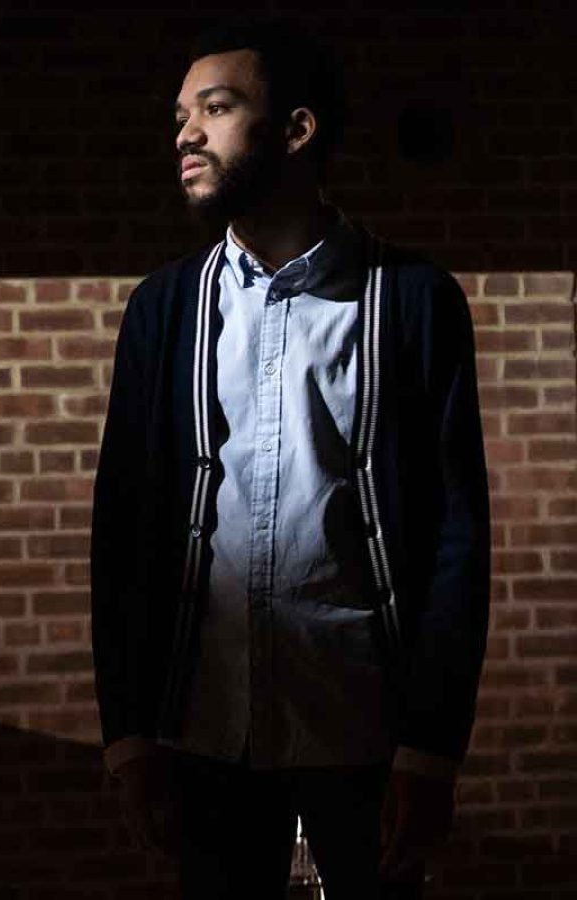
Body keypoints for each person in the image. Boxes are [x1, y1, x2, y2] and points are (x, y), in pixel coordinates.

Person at [90, 19, 490, 899]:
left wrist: (432, 748)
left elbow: (457, 538)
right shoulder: (162, 310)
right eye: (180, 116)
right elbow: (122, 531)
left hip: (367, 732)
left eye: (216, 108)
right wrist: (129, 736)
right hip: (204, 730)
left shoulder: (415, 302)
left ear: (297, 130)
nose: (187, 134)